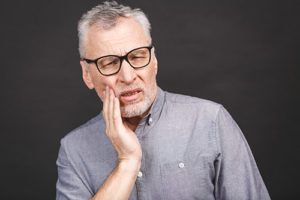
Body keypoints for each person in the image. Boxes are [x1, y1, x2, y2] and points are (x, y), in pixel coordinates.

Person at [56, 1, 271, 200]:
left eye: (137, 57)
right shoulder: (74, 150)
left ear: (154, 61)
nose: (128, 76)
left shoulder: (211, 122)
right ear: (87, 74)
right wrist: (127, 163)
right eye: (110, 63)